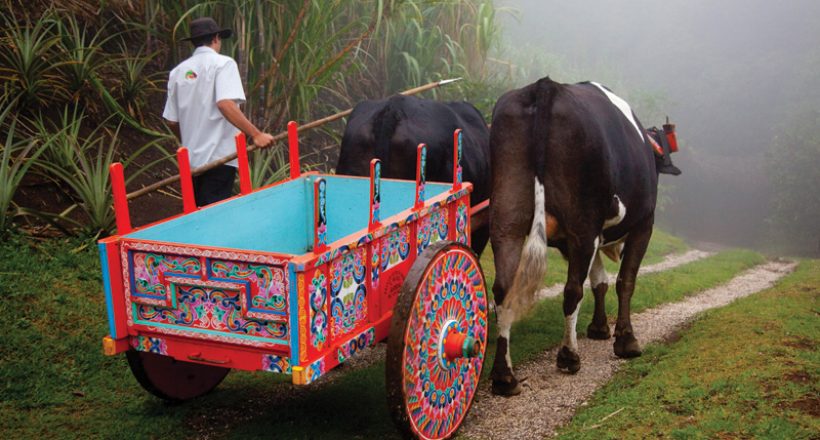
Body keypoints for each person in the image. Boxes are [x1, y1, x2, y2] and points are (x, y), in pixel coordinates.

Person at [163, 17, 274, 207]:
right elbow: (225, 104)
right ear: (216, 38)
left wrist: (190, 141)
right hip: (219, 158)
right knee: (212, 215)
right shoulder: (223, 64)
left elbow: (172, 121)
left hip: (191, 162)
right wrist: (256, 134)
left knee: (196, 215)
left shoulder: (178, 72)